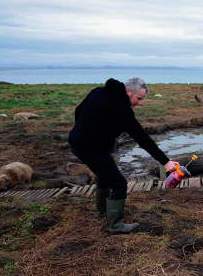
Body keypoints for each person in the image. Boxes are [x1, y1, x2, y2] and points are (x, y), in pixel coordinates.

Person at [69, 78, 178, 233]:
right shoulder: (122, 109)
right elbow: (142, 138)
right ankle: (116, 226)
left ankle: (103, 212)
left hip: (77, 142)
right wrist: (165, 162)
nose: (138, 103)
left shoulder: (98, 91)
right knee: (119, 185)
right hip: (91, 149)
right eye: (138, 98)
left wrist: (83, 131)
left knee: (104, 176)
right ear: (128, 92)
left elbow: (78, 110)